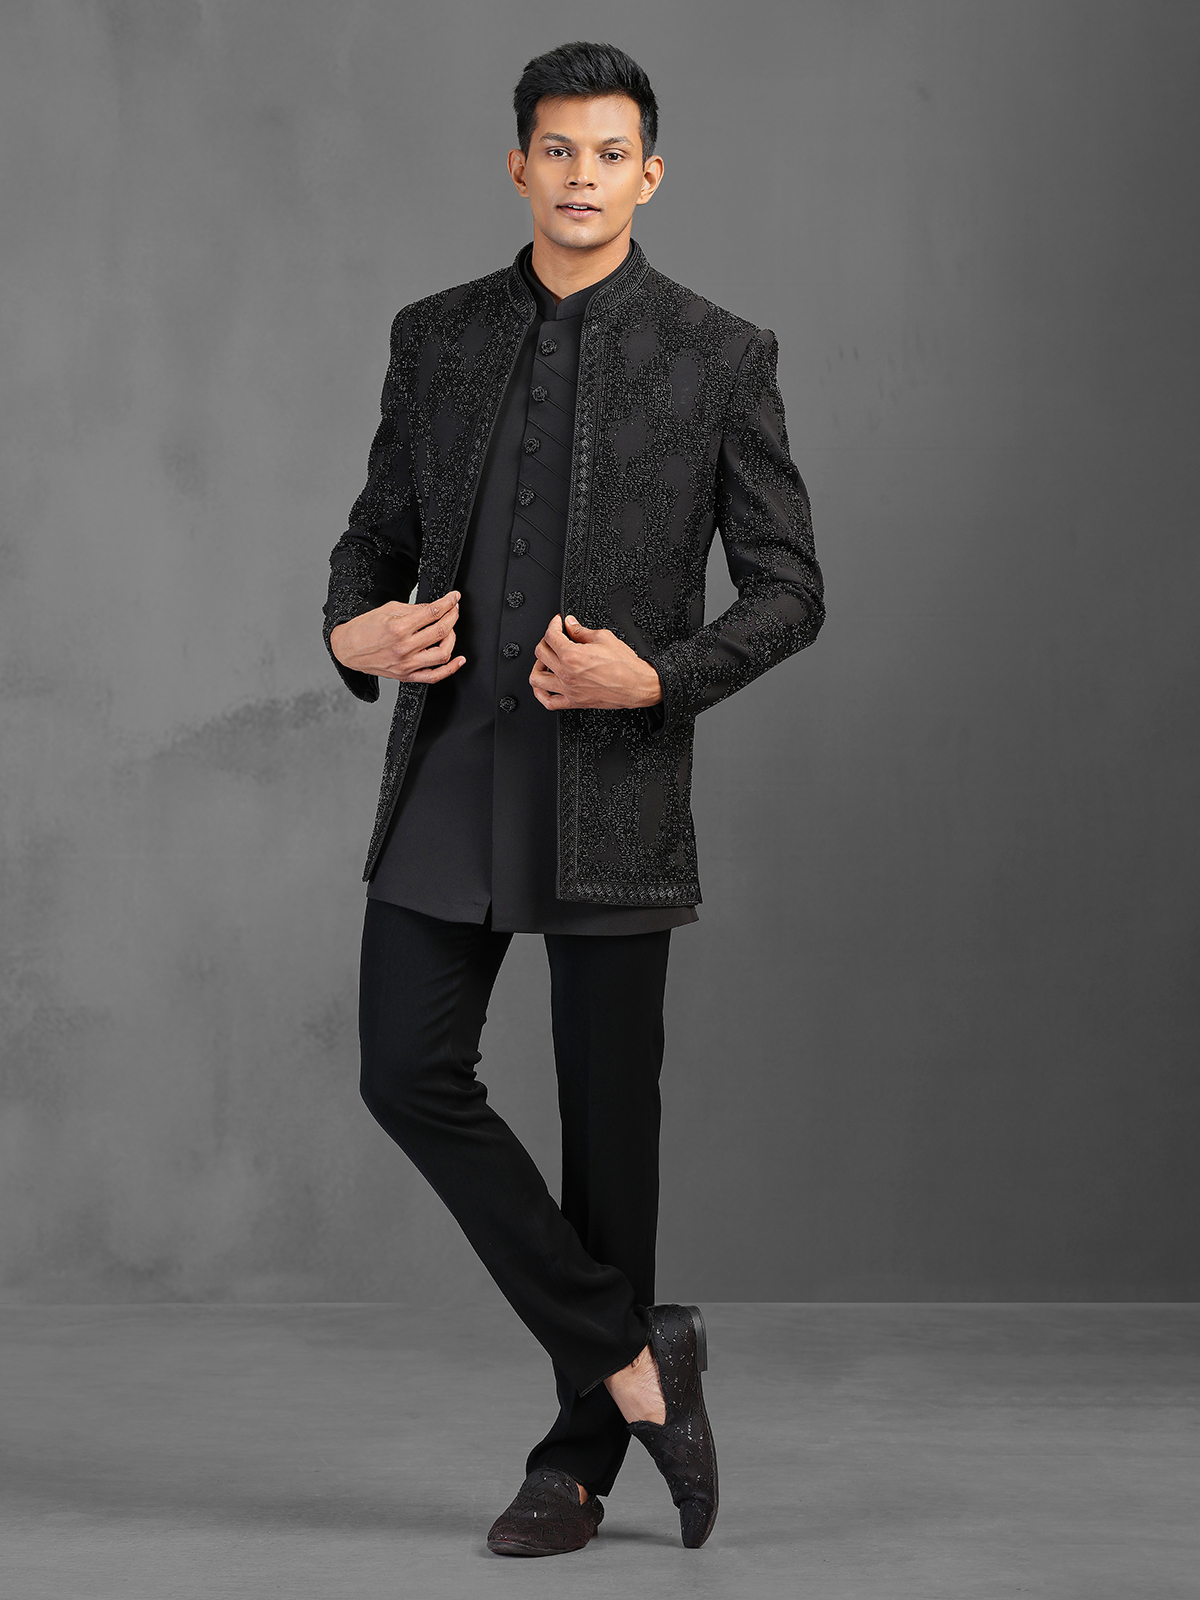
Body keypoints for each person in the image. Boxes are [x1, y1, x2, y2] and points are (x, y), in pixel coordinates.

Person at [322, 39, 824, 1557]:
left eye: (611, 154)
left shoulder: (719, 353)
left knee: (611, 1135)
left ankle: (578, 1461)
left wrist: (656, 677)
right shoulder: (436, 336)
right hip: (452, 771)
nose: (583, 176)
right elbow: (373, 536)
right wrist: (349, 635)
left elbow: (790, 590)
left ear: (648, 174)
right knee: (406, 1071)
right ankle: (634, 1357)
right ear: (519, 165)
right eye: (558, 150)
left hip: (613, 787)